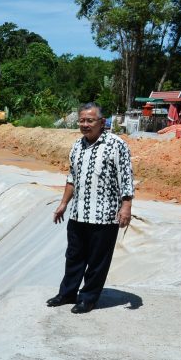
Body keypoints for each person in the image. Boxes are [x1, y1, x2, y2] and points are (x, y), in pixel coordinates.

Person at [48, 103, 134, 314]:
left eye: (90, 120)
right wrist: (63, 204)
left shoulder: (116, 145)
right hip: (78, 214)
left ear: (101, 122)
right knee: (73, 257)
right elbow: (72, 178)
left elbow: (126, 178)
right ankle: (67, 293)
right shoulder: (77, 146)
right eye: (82, 120)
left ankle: (88, 298)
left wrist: (126, 207)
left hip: (104, 216)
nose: (85, 124)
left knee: (97, 261)